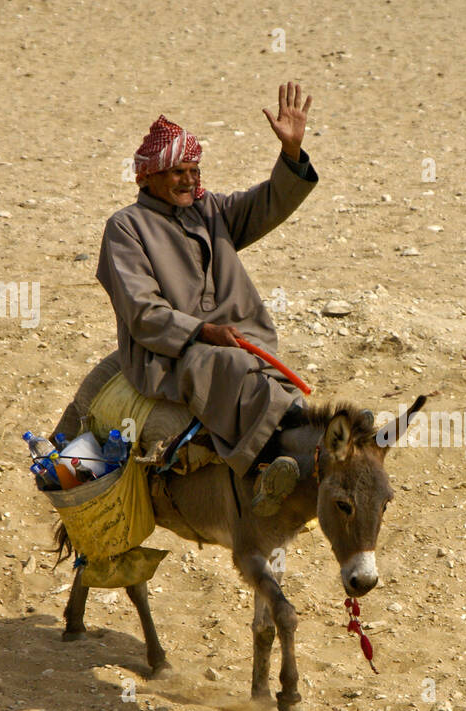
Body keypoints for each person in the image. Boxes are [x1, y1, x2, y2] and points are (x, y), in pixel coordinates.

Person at [96, 83, 318, 515]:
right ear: (147, 176)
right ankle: (263, 464)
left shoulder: (211, 210)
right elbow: (143, 313)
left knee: (274, 371)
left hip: (240, 335)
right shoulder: (125, 227)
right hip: (168, 352)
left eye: (194, 170)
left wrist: (291, 152)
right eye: (178, 171)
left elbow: (269, 202)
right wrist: (203, 331)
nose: (189, 179)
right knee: (227, 364)